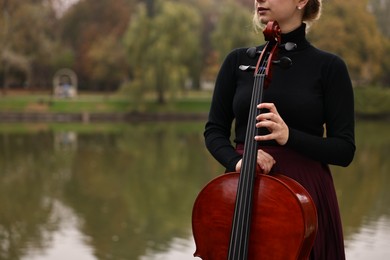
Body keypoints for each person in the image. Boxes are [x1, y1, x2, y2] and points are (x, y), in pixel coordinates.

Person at [203, 0, 355, 259]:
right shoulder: (237, 61)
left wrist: (290, 137)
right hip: (243, 188)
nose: (259, 0)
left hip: (303, 193)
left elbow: (344, 150)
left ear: (301, 1)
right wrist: (238, 161)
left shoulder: (329, 67)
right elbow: (214, 130)